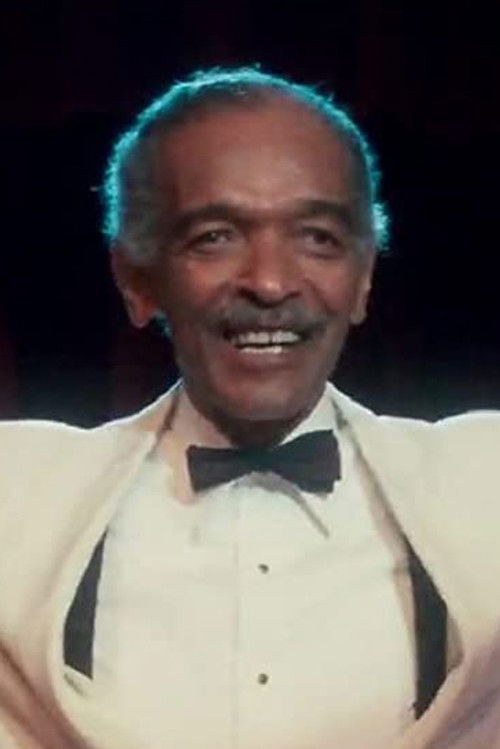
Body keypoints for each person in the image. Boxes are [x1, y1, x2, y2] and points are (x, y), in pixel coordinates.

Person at [0, 67, 499, 749]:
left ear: (363, 276)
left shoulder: (482, 485)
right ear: (138, 278)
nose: (269, 281)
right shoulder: (19, 495)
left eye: (318, 236)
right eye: (215, 236)